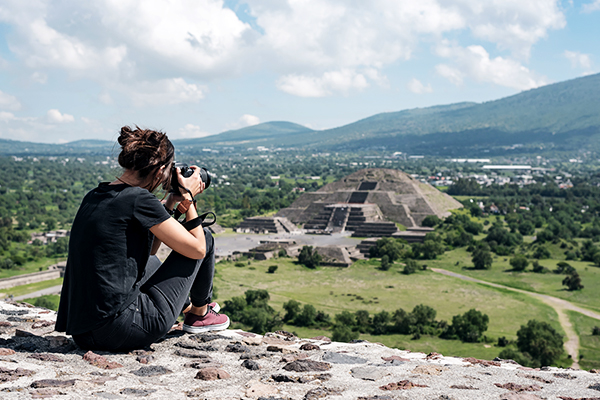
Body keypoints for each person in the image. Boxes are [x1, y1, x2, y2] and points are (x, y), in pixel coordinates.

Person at [55, 126, 229, 351]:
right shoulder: (138, 199)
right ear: (159, 171)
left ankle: (185, 307)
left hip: (84, 331)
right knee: (203, 235)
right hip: (123, 329)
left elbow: (151, 250)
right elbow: (197, 249)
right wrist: (188, 198)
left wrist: (170, 204)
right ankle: (200, 314)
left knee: (150, 260)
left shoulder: (96, 195)